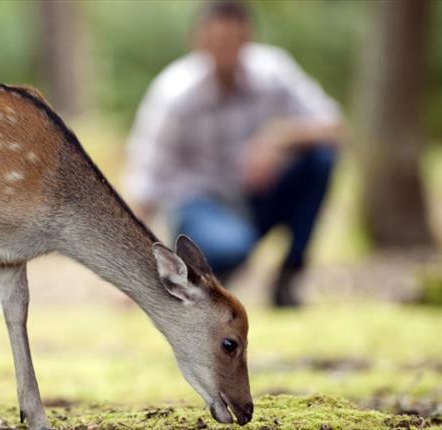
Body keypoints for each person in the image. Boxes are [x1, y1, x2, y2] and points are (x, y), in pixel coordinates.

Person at [124, 0, 343, 307]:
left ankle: (289, 276)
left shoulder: (273, 73)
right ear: (198, 42)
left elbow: (334, 126)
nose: (224, 51)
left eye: (233, 41)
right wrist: (132, 276)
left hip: (257, 195)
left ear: (248, 39)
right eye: (216, 42)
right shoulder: (174, 95)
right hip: (201, 204)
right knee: (232, 246)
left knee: (320, 159)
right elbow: (146, 182)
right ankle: (207, 278)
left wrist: (279, 137)